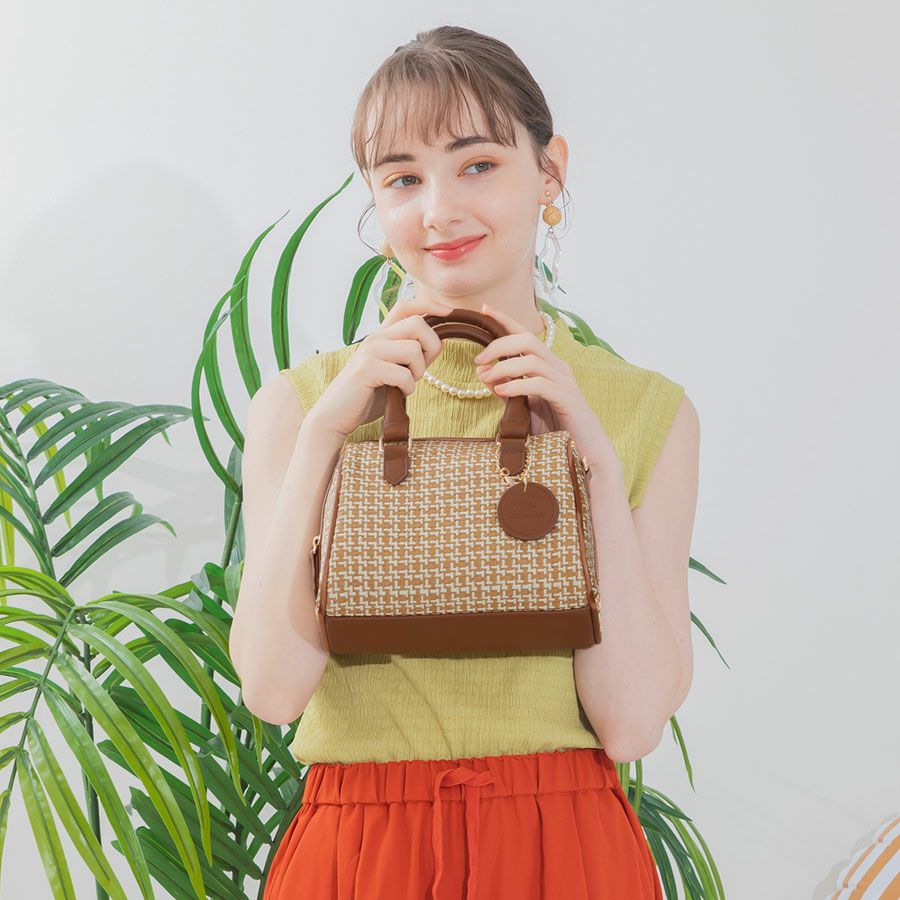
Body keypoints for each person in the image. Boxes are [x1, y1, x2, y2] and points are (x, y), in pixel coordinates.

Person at [230, 24, 700, 900]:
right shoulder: (302, 407)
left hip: (566, 852)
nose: (439, 211)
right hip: (359, 853)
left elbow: (631, 724)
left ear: (549, 171)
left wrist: (591, 462)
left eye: (477, 164)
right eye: (403, 178)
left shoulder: (644, 411)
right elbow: (273, 690)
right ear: (376, 202)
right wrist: (326, 439)